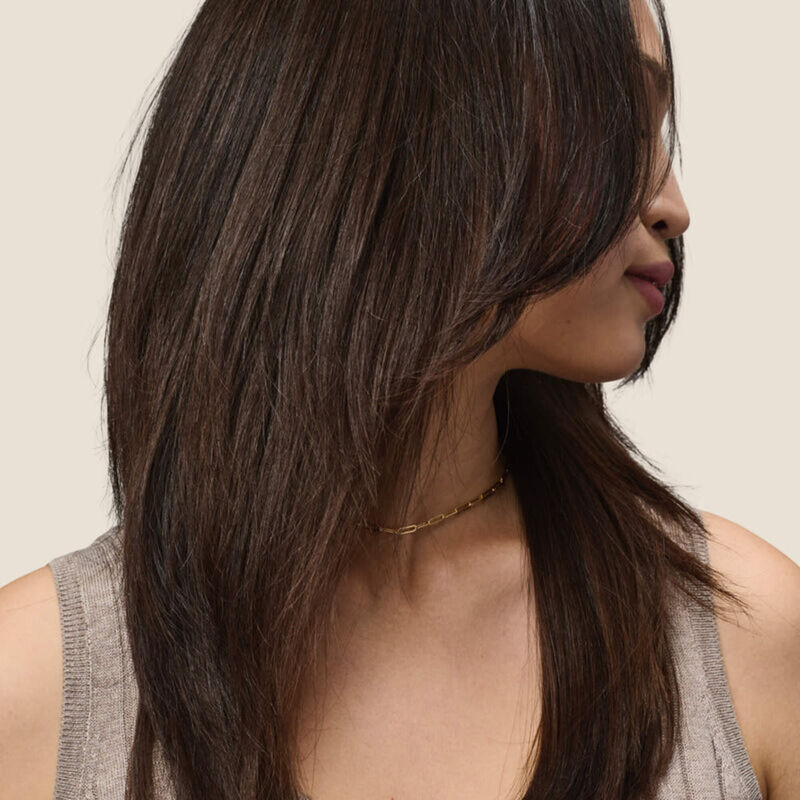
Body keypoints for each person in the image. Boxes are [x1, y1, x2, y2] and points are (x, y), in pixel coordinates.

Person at [1, 0, 798, 798]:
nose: (673, 207)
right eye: (621, 123)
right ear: (412, 125)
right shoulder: (35, 690)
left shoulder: (744, 634)